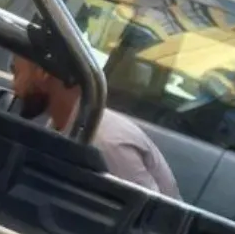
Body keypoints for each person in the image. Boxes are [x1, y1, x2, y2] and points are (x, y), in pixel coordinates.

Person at [11, 55, 181, 198]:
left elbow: (148, 217)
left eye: (17, 73)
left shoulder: (105, 142)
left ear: (43, 72)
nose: (14, 86)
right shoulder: (61, 124)